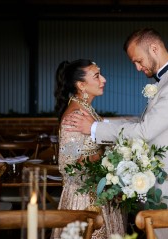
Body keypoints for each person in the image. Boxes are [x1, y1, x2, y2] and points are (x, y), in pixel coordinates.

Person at [64, 28, 168, 239]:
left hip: (166, 186)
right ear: (81, 85)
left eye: (138, 60)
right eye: (97, 75)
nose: (137, 68)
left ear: (154, 48)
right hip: (131, 188)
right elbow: (68, 161)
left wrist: (95, 129)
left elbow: (145, 130)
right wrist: (101, 124)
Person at [51, 59, 125, 239]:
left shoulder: (88, 110)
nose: (104, 80)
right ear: (81, 85)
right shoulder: (75, 117)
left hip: (99, 192)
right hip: (85, 201)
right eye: (97, 76)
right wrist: (104, 168)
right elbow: (67, 166)